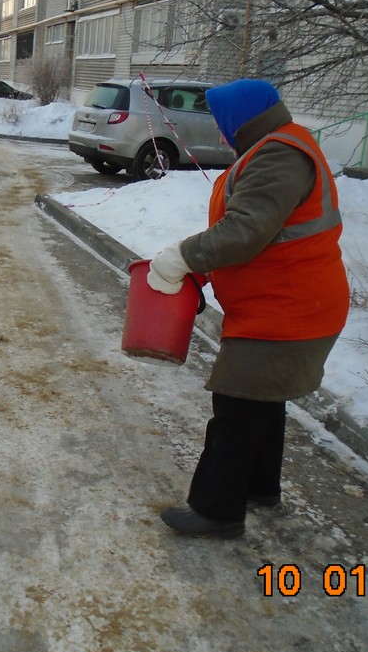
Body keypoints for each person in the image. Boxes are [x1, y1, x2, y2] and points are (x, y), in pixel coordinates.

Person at [147, 78, 349, 539]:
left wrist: (184, 256)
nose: (220, 134)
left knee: (237, 405)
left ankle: (217, 511)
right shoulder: (277, 147)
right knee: (263, 399)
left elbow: (245, 231)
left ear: (239, 120)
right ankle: (260, 487)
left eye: (222, 124)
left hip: (286, 310)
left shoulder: (279, 156)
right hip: (289, 304)